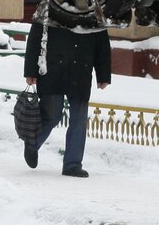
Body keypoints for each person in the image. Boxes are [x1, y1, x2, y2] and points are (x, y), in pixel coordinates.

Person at [22, 20, 111, 178]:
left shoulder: (91, 7)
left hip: (81, 70)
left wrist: (103, 74)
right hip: (53, 70)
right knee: (52, 115)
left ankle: (73, 164)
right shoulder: (52, 1)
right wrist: (31, 70)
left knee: (79, 120)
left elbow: (102, 42)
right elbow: (36, 36)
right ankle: (32, 144)